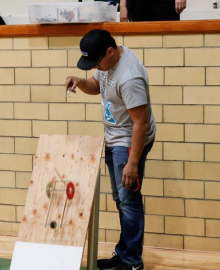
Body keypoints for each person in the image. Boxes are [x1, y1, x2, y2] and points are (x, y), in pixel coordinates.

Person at [65, 29, 156, 270]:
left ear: (110, 51)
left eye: (97, 62)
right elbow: (98, 85)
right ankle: (124, 252)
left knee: (128, 200)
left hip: (128, 141)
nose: (96, 66)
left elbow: (141, 123)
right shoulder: (107, 61)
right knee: (120, 198)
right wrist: (81, 81)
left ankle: (132, 261)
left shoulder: (130, 77)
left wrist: (132, 162)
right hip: (114, 138)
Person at [120, 0, 187, 22]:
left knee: (170, 38)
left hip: (165, 3)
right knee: (140, 41)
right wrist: (122, 4)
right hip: (138, 3)